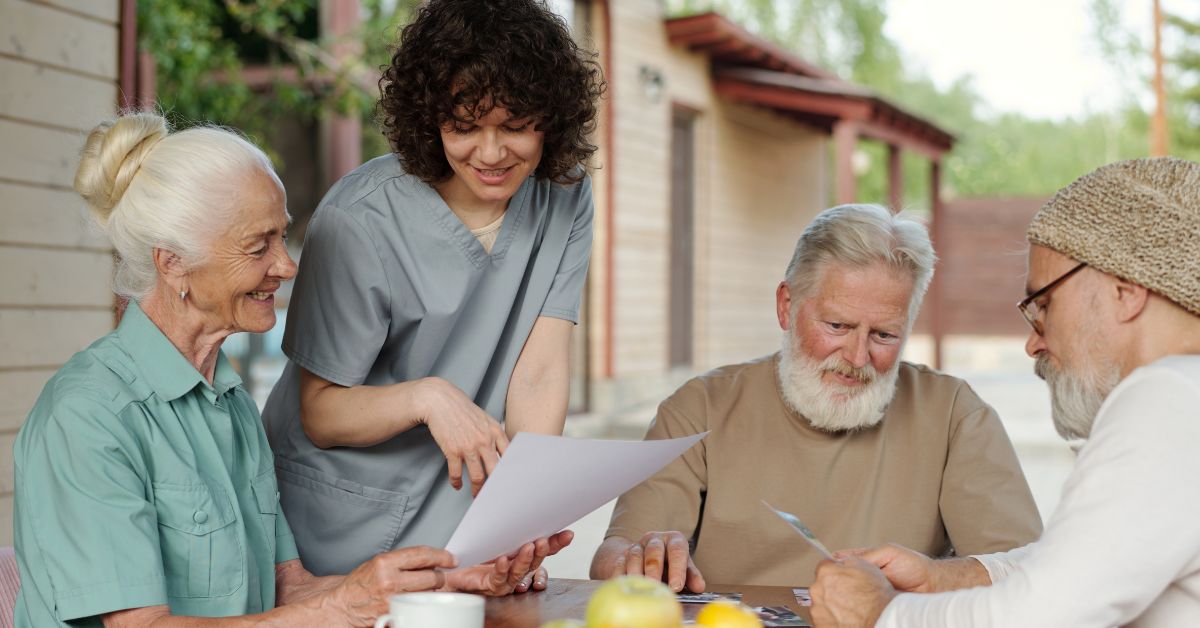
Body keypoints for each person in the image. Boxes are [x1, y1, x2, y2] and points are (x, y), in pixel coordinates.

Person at [13, 113, 571, 628]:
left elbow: (289, 589)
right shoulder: (87, 418)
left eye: (281, 236)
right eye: (258, 246)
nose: (286, 265)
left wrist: (454, 581)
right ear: (173, 262)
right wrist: (341, 608)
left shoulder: (230, 404)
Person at [260, 0, 604, 586]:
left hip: (457, 517)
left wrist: (521, 513)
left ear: (552, 118)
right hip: (339, 520)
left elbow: (539, 371)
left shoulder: (564, 196)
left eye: (515, 126)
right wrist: (429, 398)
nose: (490, 154)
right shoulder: (358, 219)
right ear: (429, 117)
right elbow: (321, 412)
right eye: (463, 127)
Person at [809, 157, 1200, 628]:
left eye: (1044, 304)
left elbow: (1043, 614)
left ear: (1126, 292)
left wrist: (880, 614)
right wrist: (943, 579)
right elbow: (1083, 566)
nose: (1033, 342)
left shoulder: (1169, 397)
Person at [590, 204, 1042, 591]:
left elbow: (1028, 573)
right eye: (837, 326)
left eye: (884, 335)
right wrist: (640, 559)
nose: (858, 357)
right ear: (786, 306)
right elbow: (615, 556)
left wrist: (934, 578)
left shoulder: (954, 414)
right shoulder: (699, 408)